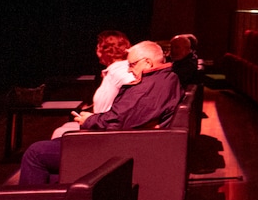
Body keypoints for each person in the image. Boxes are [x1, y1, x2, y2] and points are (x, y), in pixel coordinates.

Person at [21, 41, 185, 185]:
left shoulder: (146, 90)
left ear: (148, 63)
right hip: (129, 145)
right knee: (52, 162)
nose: (129, 70)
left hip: (117, 151)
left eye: (132, 64)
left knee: (36, 152)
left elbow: (116, 123)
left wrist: (89, 120)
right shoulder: (167, 78)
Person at [52, 30, 134, 139]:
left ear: (103, 50)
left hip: (107, 130)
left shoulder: (119, 71)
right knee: (65, 128)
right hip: (101, 124)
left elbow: (134, 87)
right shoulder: (114, 71)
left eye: (98, 46)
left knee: (60, 134)